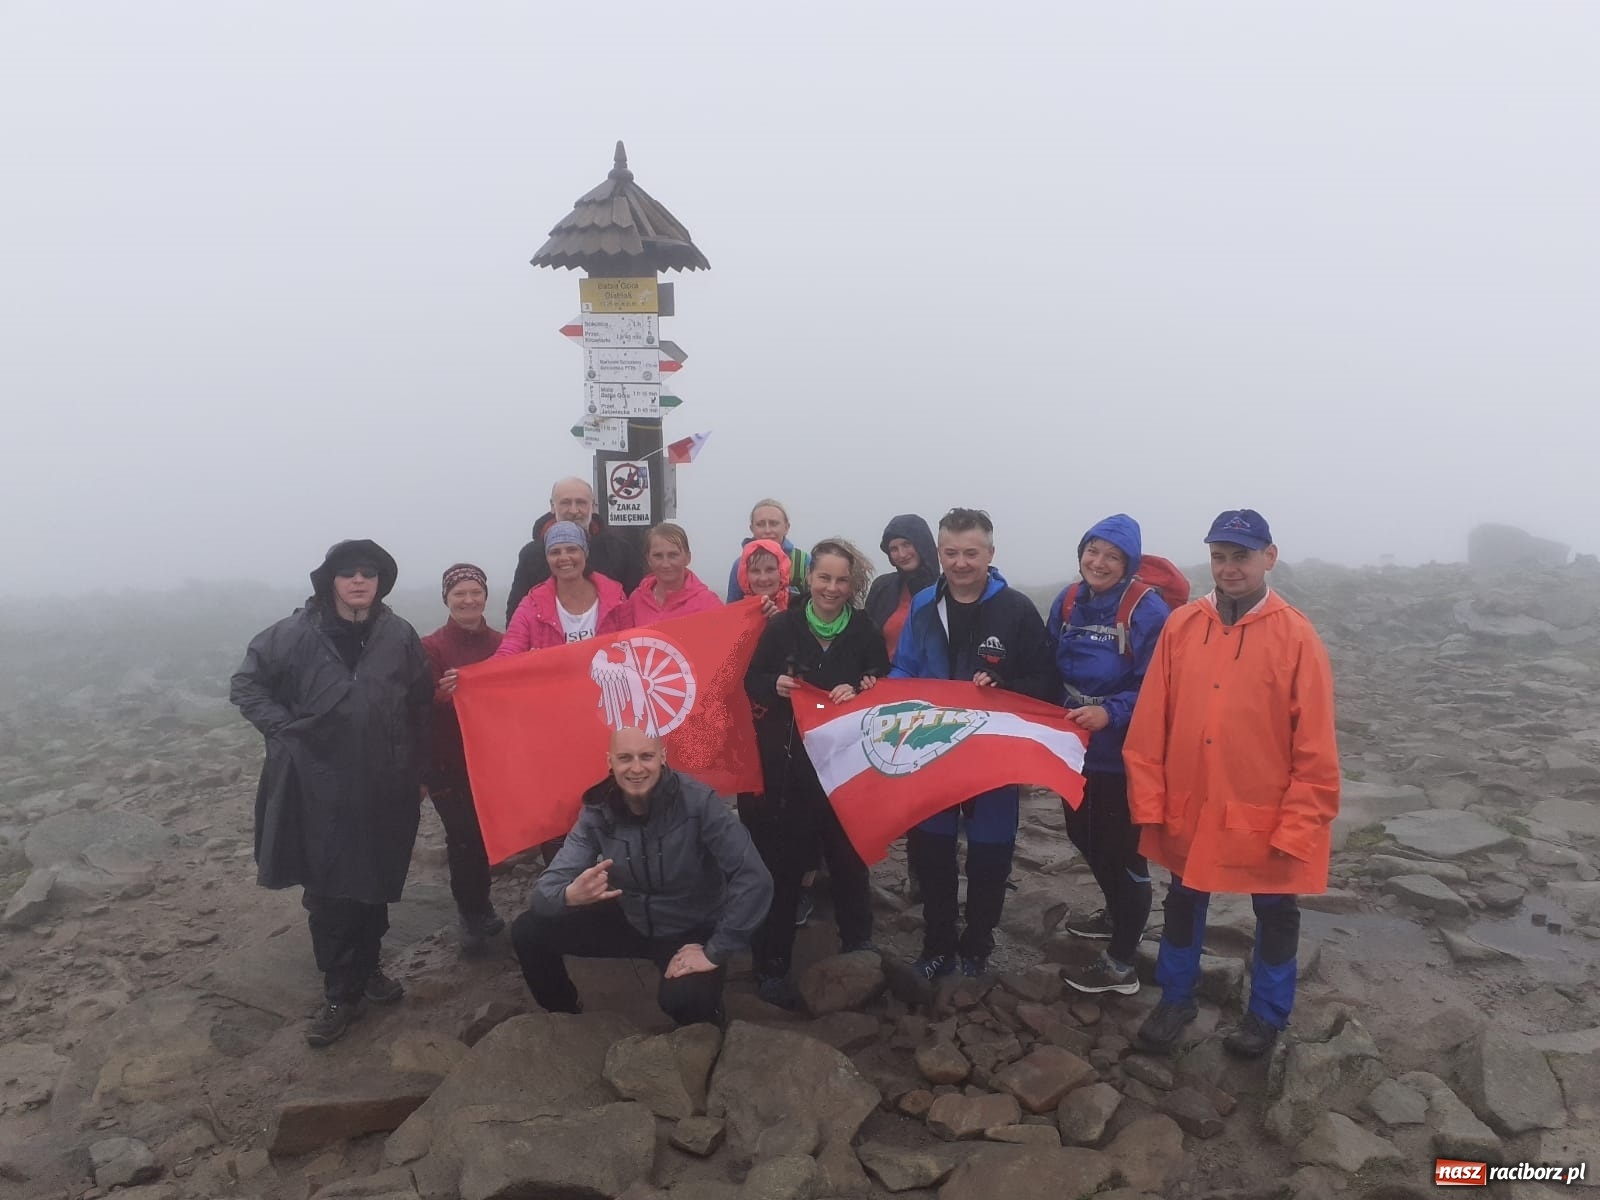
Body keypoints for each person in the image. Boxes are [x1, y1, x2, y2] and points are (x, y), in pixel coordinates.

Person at [1125, 509, 1339, 1059]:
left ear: (1269, 556)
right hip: (1190, 805)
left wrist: (1300, 825)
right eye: (1219, 556)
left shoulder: (1295, 634)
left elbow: (1315, 746)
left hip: (1265, 811)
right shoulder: (1183, 625)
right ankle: (1176, 999)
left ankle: (1266, 1016)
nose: (1228, 568)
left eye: (1240, 555)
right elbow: (1150, 722)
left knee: (1275, 912)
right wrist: (1150, 801)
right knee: (1182, 902)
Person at [230, 540, 433, 1047]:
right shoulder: (294, 634)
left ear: (381, 582)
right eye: (349, 573)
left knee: (377, 876)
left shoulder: (399, 634)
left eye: (369, 573)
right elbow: (247, 685)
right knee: (328, 887)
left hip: (385, 780)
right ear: (331, 581)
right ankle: (340, 991)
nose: (359, 580)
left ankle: (369, 970)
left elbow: (419, 702)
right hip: (317, 783)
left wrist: (416, 765)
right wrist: (286, 732)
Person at [889, 508, 1056, 980]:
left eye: (971, 553)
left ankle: (978, 946)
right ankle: (937, 943)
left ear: (990, 554)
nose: (960, 563)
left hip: (992, 757)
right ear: (938, 552)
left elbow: (1045, 679)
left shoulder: (1016, 609)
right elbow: (905, 666)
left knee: (990, 855)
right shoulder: (925, 603)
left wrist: (1003, 682)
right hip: (931, 748)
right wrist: (882, 694)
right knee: (933, 853)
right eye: (951, 552)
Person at [510, 727, 773, 1026]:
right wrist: (569, 895)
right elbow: (545, 892)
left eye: (646, 756)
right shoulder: (598, 809)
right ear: (610, 762)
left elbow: (754, 878)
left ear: (663, 757)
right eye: (625, 758)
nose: (636, 768)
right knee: (527, 932)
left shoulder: (699, 803)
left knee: (685, 1000)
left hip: (690, 926)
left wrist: (714, 951)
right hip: (630, 915)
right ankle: (566, 1017)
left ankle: (710, 1027)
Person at [742, 538, 889, 1008]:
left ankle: (858, 946)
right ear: (809, 579)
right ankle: (772, 965)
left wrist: (866, 686)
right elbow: (752, 680)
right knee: (784, 870)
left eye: (841, 580)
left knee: (849, 861)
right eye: (824, 577)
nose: (832, 587)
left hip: (845, 771)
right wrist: (775, 684)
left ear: (852, 584)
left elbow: (880, 677)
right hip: (789, 770)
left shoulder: (864, 628)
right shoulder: (783, 625)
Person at [1045, 516, 1170, 996]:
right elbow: (1045, 658)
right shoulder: (1070, 600)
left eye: (1111, 556)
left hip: (1123, 754)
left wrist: (1111, 713)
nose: (1098, 562)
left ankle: (1122, 963)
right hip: (1073, 748)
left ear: (1128, 564)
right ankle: (1117, 915)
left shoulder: (1148, 611)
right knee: (1083, 834)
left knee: (1121, 853)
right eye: (1092, 551)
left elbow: (1162, 685)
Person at [420, 563, 507, 952]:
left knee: (487, 834)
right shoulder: (431, 647)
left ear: (486, 596)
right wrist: (452, 693)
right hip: (449, 763)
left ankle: (482, 905)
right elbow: (421, 701)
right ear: (447, 599)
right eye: (459, 594)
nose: (468, 600)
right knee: (464, 838)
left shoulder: (503, 644)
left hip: (493, 760)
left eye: (475, 592)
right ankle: (472, 913)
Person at [506, 477, 642, 621]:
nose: (573, 510)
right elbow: (516, 616)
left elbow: (636, 607)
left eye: (581, 502)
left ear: (593, 506)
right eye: (565, 502)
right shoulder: (531, 555)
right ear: (552, 506)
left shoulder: (620, 550)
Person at [496, 521, 631, 656]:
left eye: (572, 549)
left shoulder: (616, 599)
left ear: (585, 553)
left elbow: (632, 646)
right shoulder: (532, 605)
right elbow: (508, 651)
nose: (564, 557)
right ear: (547, 559)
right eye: (555, 552)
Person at [864, 514, 938, 662]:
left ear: (922, 543)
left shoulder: (948, 590)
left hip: (933, 682)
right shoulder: (882, 587)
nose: (901, 554)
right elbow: (863, 640)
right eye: (894, 549)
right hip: (886, 680)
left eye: (906, 544)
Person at [628, 522, 722, 625]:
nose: (665, 564)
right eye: (658, 556)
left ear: (687, 558)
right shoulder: (636, 600)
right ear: (648, 560)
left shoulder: (708, 603)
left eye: (673, 555)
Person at [724, 499, 808, 602]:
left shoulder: (803, 561)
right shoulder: (740, 565)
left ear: (786, 527)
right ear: (752, 529)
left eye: (774, 523)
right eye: (760, 524)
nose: (767, 530)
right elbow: (732, 609)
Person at [734, 538, 795, 613]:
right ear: (745, 575)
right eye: (755, 571)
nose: (763, 578)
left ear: (782, 572)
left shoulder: (800, 608)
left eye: (770, 570)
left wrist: (778, 620)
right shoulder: (737, 613)